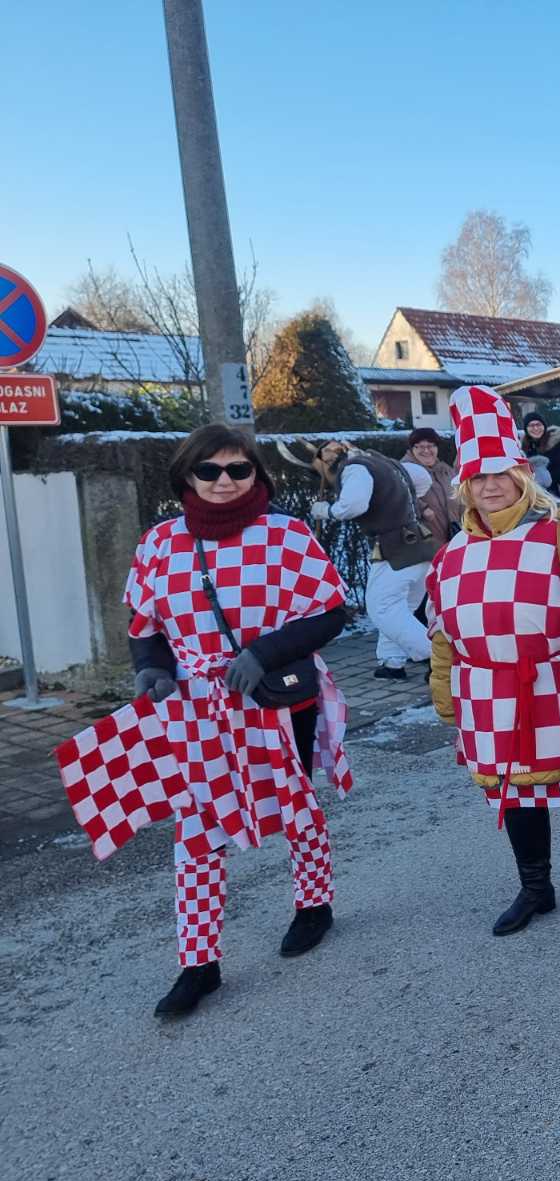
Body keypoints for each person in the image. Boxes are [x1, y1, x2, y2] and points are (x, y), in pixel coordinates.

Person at [96, 424, 353, 1017]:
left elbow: (331, 613)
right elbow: (145, 626)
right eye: (209, 470)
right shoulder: (159, 543)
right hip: (195, 707)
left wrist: (262, 651)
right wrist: (151, 669)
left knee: (294, 803)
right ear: (186, 475)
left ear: (256, 475)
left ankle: (314, 904)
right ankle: (199, 962)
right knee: (196, 829)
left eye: (238, 469)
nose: (223, 481)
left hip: (276, 695)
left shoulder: (285, 534)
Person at [427, 386, 560, 937]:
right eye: (478, 477)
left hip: (555, 683)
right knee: (512, 787)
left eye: (500, 473)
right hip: (487, 692)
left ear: (522, 476)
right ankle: (536, 887)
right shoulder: (451, 556)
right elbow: (443, 633)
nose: (490, 485)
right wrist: (445, 691)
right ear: (465, 487)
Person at [312, 441, 438, 680]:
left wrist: (327, 511)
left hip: (396, 548)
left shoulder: (356, 468)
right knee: (401, 609)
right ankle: (391, 664)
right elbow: (422, 479)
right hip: (420, 545)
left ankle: (441, 658)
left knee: (383, 608)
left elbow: (353, 505)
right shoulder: (386, 463)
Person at [403, 427, 460, 545]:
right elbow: (398, 496)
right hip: (425, 543)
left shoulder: (445, 470)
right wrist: (422, 508)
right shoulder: (405, 471)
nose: (426, 450)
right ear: (412, 449)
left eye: (431, 445)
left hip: (453, 537)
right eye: (419, 446)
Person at [521, 412, 560, 501]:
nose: (535, 428)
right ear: (526, 429)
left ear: (544, 426)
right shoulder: (525, 447)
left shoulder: (556, 444)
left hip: (556, 495)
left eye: (538, 425)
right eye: (531, 426)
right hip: (531, 495)